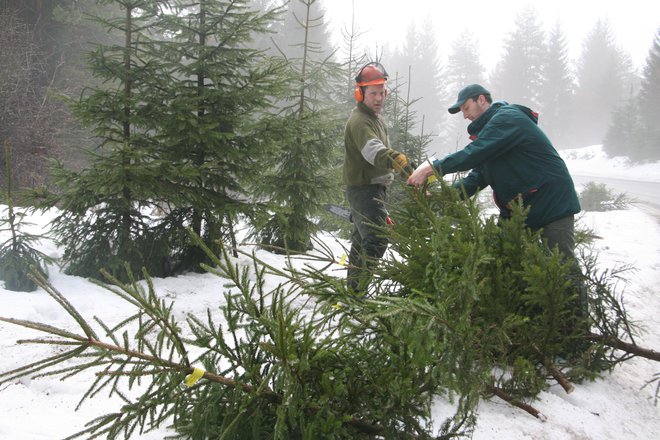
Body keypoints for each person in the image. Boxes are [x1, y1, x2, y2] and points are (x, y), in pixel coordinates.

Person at [407, 84, 581, 259]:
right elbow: (476, 179)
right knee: (503, 263)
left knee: (563, 270)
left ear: (481, 100)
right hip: (521, 211)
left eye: (466, 108)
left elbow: (474, 153)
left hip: (552, 205)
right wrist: (441, 196)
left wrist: (432, 168)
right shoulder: (492, 136)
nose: (465, 115)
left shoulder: (507, 118)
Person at [343, 62, 411, 292]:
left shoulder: (374, 118)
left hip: (375, 189)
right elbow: (374, 151)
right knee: (376, 239)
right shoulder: (360, 121)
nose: (379, 98)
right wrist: (399, 162)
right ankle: (357, 293)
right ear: (360, 93)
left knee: (362, 241)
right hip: (364, 189)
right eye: (373, 93)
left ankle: (352, 292)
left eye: (382, 92)